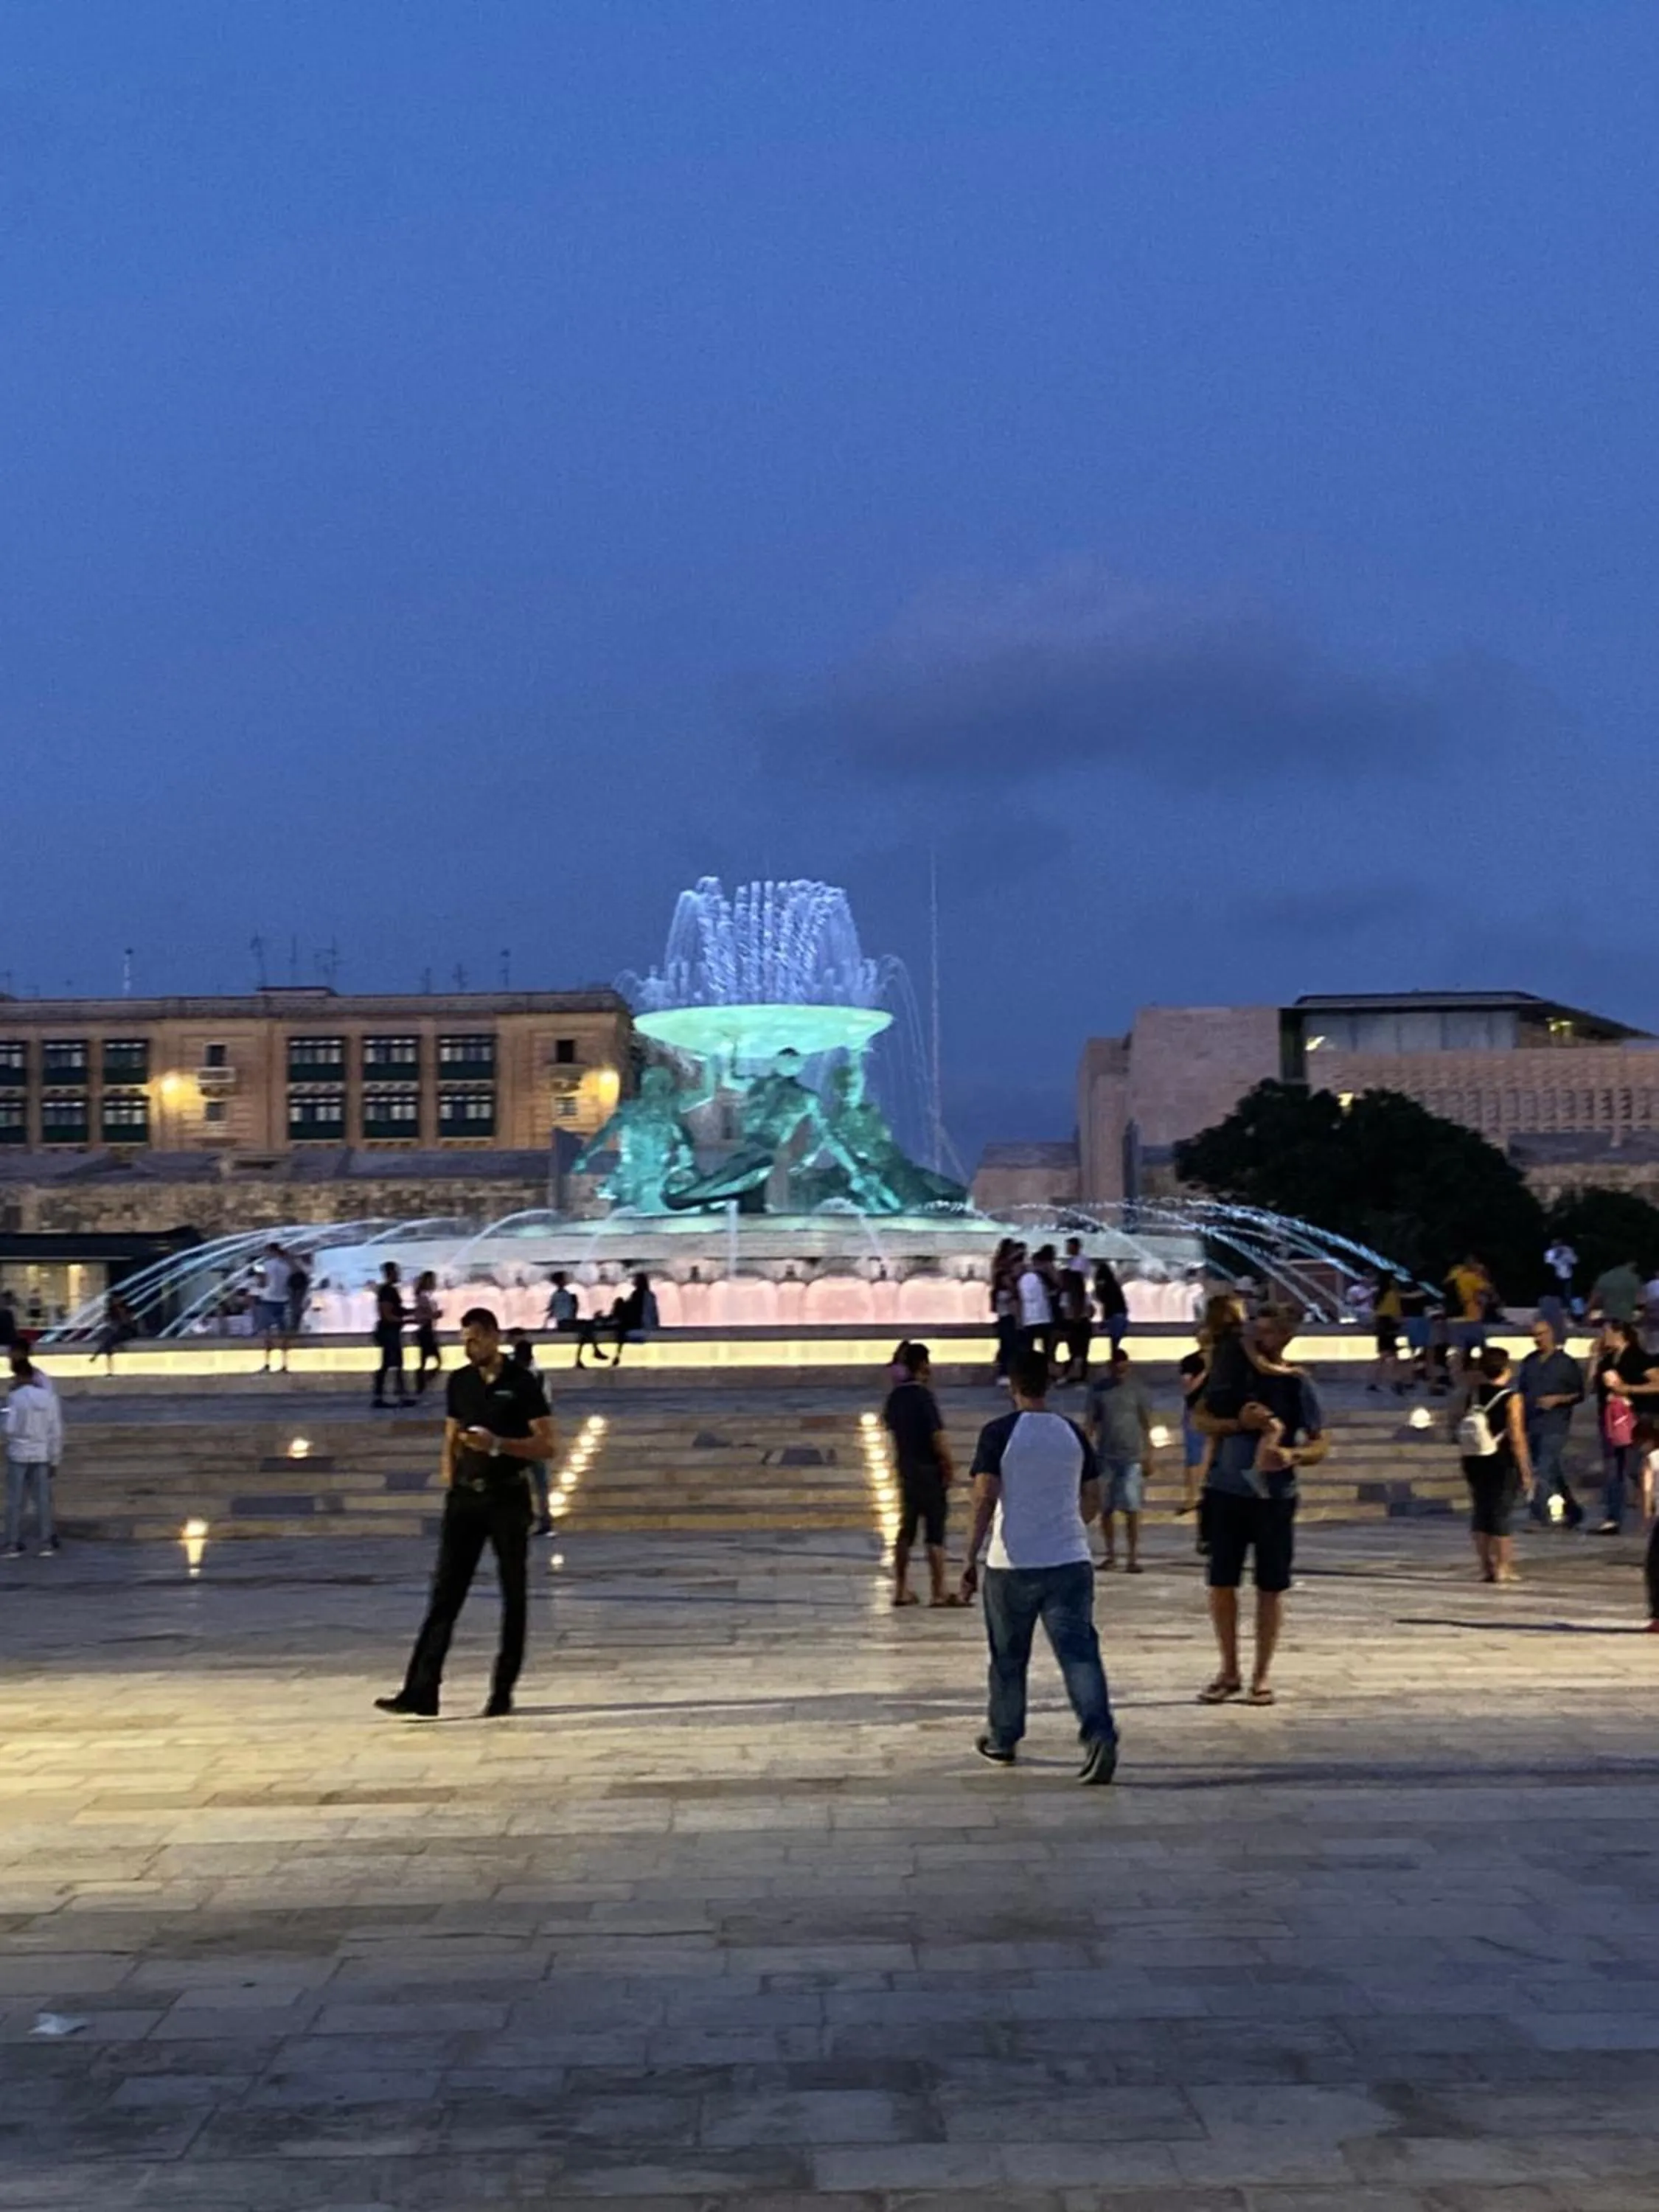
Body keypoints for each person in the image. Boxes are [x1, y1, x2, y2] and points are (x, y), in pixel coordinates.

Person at [375, 1306, 556, 1719]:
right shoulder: (460, 1382)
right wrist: (450, 1474)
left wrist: (498, 1446)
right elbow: (451, 1434)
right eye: (464, 1340)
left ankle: (501, 1690)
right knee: (444, 1595)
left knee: (514, 1595)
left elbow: (548, 1446)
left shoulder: (523, 1382)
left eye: (475, 1338)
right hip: (465, 1500)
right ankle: (421, 1690)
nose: (469, 1347)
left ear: (494, 1335)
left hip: (507, 1498)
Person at [959, 1346, 1119, 1784]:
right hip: (1069, 1559)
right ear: (1047, 1384)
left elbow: (985, 1496)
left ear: (1012, 1385)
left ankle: (1004, 1738)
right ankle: (1099, 1735)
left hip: (1011, 1563)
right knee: (1080, 1655)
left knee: (1009, 1658)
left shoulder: (998, 1433)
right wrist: (1064, 1527)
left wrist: (969, 1557)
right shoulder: (1071, 1433)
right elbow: (1093, 1499)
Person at [1192, 1307, 1326, 1707]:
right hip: (1225, 1490)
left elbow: (1321, 1442)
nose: (1256, 1339)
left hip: (1274, 1496)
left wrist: (1293, 1456)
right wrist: (1240, 1424)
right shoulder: (1231, 1371)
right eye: (1256, 1330)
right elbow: (1200, 1419)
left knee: (1270, 1586)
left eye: (1267, 1332)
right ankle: (1228, 1669)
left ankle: (1261, 1675)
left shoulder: (1296, 1383)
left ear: (1285, 1336)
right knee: (1221, 1583)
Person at [880, 1341, 960, 1607]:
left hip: (906, 1469)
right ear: (923, 1366)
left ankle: (901, 1589)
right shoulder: (924, 1397)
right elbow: (937, 1436)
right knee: (935, 1531)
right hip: (929, 1469)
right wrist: (949, 1464)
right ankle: (939, 1591)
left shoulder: (895, 1398)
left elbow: (890, 1429)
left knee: (906, 1530)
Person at [1455, 1345, 1533, 1585]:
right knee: (1501, 1513)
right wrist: (1526, 1469)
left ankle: (1485, 1566)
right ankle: (1503, 1567)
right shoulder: (1512, 1397)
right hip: (1501, 1459)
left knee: (1481, 1511)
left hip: (1473, 1457)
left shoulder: (1473, 1394)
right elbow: (1517, 1434)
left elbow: (1454, 1421)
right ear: (1506, 1368)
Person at [1085, 1346, 1158, 1573]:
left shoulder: (1138, 1390)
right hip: (1106, 1455)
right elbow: (1091, 1423)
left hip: (1132, 1456)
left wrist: (1149, 1455)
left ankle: (1133, 1556)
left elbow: (1146, 1422)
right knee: (1106, 1507)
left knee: (1132, 1507)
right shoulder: (1099, 1391)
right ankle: (1111, 1554)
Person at [1591, 1317, 1659, 1533]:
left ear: (1619, 1334)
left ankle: (1651, 1504)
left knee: (1633, 1465)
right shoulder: (1608, 1359)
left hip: (1635, 1417)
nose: (1603, 1337)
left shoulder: (1639, 1357)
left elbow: (1657, 1383)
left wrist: (1627, 1389)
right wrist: (1594, 1357)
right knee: (1612, 1468)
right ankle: (1613, 1518)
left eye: (1607, 1332)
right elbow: (1592, 1386)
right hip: (1610, 1418)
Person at [1518, 1315, 1585, 1528]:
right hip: (1532, 1422)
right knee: (1552, 1469)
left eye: (1542, 1334)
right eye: (1534, 1335)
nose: (1538, 1339)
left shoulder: (1566, 1363)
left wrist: (1558, 1399)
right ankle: (1573, 1510)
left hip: (1556, 1423)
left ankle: (1539, 1516)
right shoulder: (1529, 1361)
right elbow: (1522, 1390)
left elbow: (1579, 1393)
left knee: (1543, 1469)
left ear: (1552, 1335)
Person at [4, 1351, 63, 1557]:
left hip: (19, 1453)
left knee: (15, 1499)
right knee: (43, 1500)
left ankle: (12, 1542)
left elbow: (10, 1428)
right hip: (41, 1453)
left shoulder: (15, 1398)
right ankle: (46, 1542)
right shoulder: (48, 1398)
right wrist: (55, 1457)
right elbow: (55, 1430)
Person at [507, 1329, 553, 1533]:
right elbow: (547, 1404)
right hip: (534, 1434)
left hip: (520, 1434)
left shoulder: (515, 1375)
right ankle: (543, 1519)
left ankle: (530, 1518)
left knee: (522, 1479)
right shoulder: (537, 1373)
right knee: (539, 1481)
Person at [1444, 1254, 1494, 1373]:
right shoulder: (1473, 1277)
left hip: (1453, 1318)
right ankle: (1488, 1372)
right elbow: (1489, 1291)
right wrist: (1484, 1274)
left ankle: (1457, 1375)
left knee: (1459, 1350)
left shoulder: (1455, 1273)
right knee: (1482, 1348)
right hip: (1471, 1317)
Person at [252, 1243, 295, 1374]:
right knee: (283, 1333)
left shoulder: (268, 1265)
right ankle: (285, 1364)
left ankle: (267, 1364)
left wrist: (258, 1280)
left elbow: (263, 1283)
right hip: (284, 1300)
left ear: (271, 1252)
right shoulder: (287, 1265)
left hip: (269, 1300)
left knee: (267, 1332)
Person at [371, 1262, 409, 1408]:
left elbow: (398, 1311)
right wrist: (410, 1319)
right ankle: (380, 1397)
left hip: (391, 1331)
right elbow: (387, 1315)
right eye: (396, 1272)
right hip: (388, 1332)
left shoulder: (390, 1290)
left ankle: (398, 1395)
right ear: (390, 1273)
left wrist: (415, 1313)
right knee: (389, 1364)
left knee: (394, 1364)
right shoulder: (386, 1291)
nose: (399, 1274)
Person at [1015, 1246, 1056, 1373]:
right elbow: (1054, 1291)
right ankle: (1047, 1371)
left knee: (1029, 1347)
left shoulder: (1023, 1278)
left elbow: (1020, 1299)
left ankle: (1030, 1372)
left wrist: (1020, 1319)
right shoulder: (1043, 1276)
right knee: (1047, 1348)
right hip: (1044, 1317)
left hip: (1029, 1318)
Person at [1054, 1253, 1093, 1386]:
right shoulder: (1084, 1295)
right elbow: (1091, 1310)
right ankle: (1081, 1377)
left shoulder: (1066, 1295)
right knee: (1081, 1353)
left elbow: (1065, 1312)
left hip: (1073, 1325)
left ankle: (1067, 1376)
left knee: (1074, 1352)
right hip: (1084, 1324)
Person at [989, 1240, 1021, 1387]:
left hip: (1005, 1312)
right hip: (1008, 1312)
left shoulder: (999, 1268)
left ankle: (1005, 1371)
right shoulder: (1004, 1271)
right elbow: (1011, 1288)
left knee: (1008, 1342)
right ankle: (1004, 1372)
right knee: (1009, 1342)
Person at [1368, 1272, 1405, 1394]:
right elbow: (1395, 1311)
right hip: (1389, 1325)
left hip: (1381, 1325)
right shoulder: (1392, 1294)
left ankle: (1374, 1381)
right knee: (1392, 1356)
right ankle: (1396, 1381)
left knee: (1383, 1356)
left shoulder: (1379, 1294)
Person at [412, 1271, 443, 1395]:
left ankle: (422, 1383)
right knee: (435, 1360)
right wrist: (434, 1315)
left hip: (427, 1330)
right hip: (426, 1331)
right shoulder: (423, 1298)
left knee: (425, 1360)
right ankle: (422, 1382)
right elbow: (421, 1316)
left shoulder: (424, 1296)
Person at [1091, 1257, 1130, 1360]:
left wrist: (1104, 1320)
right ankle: (1115, 1359)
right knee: (1115, 1343)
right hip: (1120, 1315)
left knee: (1114, 1343)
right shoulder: (1114, 1285)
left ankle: (1115, 1360)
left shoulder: (1107, 1287)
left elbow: (1107, 1305)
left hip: (1115, 1316)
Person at [1589, 1256, 1644, 1326]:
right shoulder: (1634, 1279)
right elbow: (1640, 1301)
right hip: (1627, 1316)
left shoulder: (1604, 1277)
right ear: (1631, 1263)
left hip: (1607, 1315)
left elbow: (1594, 1299)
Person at [1398, 1277, 1431, 1388]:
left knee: (1412, 1350)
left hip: (1409, 1321)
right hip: (1420, 1320)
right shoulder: (1423, 1293)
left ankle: (1411, 1377)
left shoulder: (1402, 1295)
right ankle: (1421, 1371)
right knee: (1425, 1348)